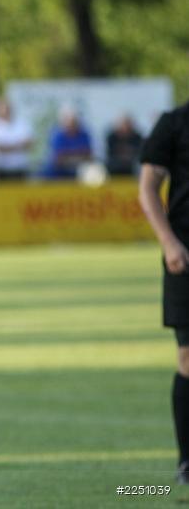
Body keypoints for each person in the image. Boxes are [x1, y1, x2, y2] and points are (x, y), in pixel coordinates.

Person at [138, 101, 189, 483]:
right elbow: (148, 188)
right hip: (185, 256)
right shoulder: (174, 123)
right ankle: (188, 460)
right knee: (188, 358)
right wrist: (168, 242)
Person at [0, 97, 33, 180]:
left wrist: (5, 147)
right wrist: (18, 146)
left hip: (20, 169)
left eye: (8, 107)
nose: (6, 110)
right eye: (3, 107)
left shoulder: (23, 123)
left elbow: (29, 144)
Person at [41, 106, 92, 179]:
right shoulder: (57, 135)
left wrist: (69, 157)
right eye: (70, 121)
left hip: (78, 170)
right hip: (58, 171)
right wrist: (77, 157)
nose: (73, 124)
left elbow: (88, 156)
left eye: (75, 121)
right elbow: (58, 159)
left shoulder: (84, 135)